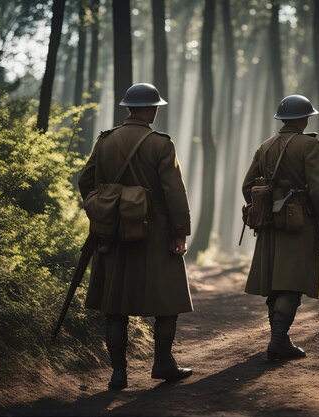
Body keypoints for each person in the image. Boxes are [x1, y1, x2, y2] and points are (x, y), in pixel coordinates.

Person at [78, 83, 193, 390]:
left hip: (112, 233)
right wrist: (179, 232)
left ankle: (118, 373)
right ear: (150, 109)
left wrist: (105, 211)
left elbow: (85, 181)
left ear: (129, 107)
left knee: (115, 306)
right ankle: (163, 363)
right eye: (156, 107)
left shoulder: (105, 141)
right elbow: (174, 192)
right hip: (155, 233)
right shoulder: (160, 143)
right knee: (168, 299)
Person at [242, 94, 319, 360]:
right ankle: (279, 340)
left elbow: (247, 187)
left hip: (270, 225)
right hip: (299, 223)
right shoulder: (309, 145)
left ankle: (279, 338)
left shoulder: (266, 146)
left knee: (276, 281)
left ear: (283, 119)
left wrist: (267, 206)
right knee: (291, 283)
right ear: (304, 119)